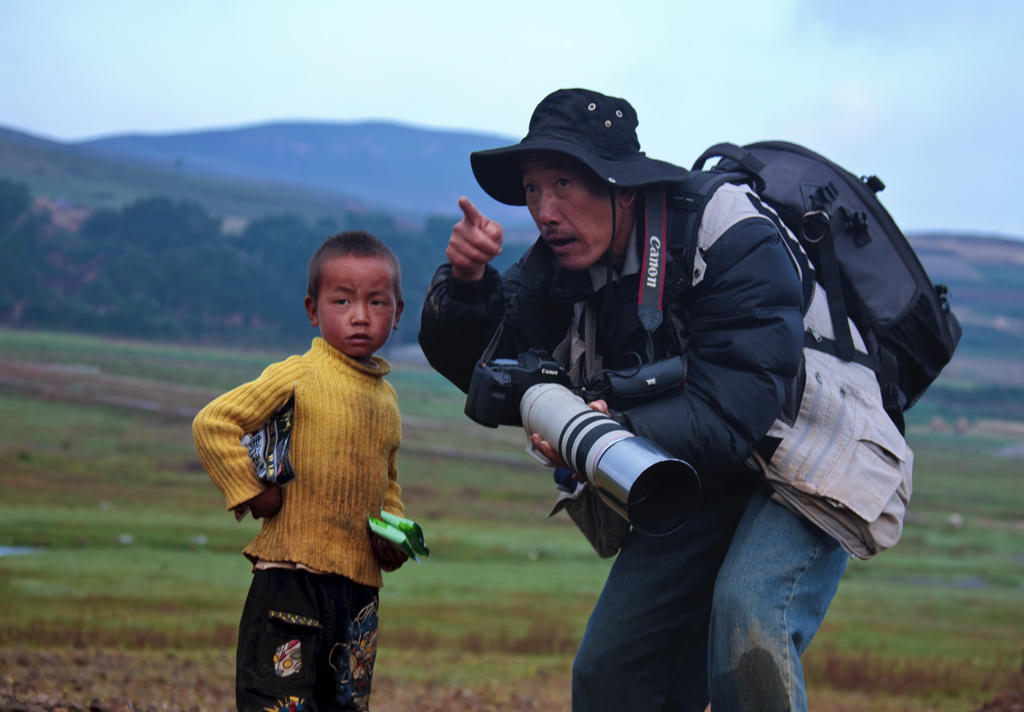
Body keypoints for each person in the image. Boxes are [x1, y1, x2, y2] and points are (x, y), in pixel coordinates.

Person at [418, 88, 849, 712]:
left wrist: (613, 419)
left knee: (750, 620)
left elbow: (736, 407)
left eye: (564, 183)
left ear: (622, 188)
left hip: (809, 452)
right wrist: (465, 285)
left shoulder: (730, 230)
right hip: (696, 467)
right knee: (612, 675)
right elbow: (489, 363)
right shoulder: (561, 264)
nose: (544, 210)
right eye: (533, 189)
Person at [193, 230, 408, 712]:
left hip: (357, 592)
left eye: (377, 303)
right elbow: (213, 423)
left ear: (397, 315)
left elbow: (387, 480)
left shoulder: (387, 399)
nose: (359, 315)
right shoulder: (297, 375)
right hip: (290, 580)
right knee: (279, 703)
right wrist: (251, 491)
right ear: (313, 310)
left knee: (345, 705)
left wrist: (391, 537)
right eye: (342, 300)